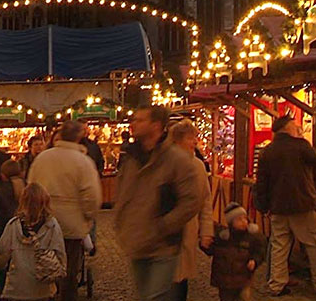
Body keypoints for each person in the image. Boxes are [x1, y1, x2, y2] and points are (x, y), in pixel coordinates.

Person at [114, 105, 201, 301]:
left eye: (140, 120)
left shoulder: (176, 160)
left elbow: (192, 200)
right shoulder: (132, 158)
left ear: (156, 125)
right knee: (146, 295)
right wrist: (121, 222)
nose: (133, 123)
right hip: (137, 241)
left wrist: (164, 226)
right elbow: (124, 192)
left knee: (155, 297)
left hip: (163, 244)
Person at [254, 113, 316, 295]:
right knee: (314, 244)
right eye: (295, 126)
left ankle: (276, 285)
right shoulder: (300, 146)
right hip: (301, 205)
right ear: (287, 128)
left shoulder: (267, 151)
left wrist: (263, 207)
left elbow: (261, 183)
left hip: (277, 207)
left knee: (280, 246)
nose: (299, 128)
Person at [27, 119, 102, 301]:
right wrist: (88, 218)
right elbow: (92, 196)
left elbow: (30, 189)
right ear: (79, 137)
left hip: (44, 223)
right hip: (71, 226)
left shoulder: (42, 159)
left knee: (44, 264)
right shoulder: (83, 161)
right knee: (68, 272)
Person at [0, 183, 66, 301]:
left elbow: (1, 254)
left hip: (16, 288)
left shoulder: (13, 225)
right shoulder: (52, 225)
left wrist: (1, 266)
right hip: (43, 289)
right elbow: (60, 255)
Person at [168, 120, 214, 301]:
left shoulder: (198, 166)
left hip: (187, 230)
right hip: (165, 233)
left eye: (195, 137)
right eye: (190, 138)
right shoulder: (163, 163)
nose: (195, 142)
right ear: (177, 141)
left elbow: (205, 200)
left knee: (180, 281)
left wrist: (206, 232)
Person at [202, 203, 266, 301]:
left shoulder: (252, 238)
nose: (243, 222)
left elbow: (260, 251)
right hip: (225, 281)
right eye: (239, 219)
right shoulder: (222, 238)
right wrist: (204, 245)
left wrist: (255, 261)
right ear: (231, 222)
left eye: (245, 218)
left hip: (243, 279)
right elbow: (212, 250)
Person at [0, 158, 25, 296]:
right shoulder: (29, 190)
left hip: (4, 240)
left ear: (2, 175)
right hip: (27, 241)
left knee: (3, 278)